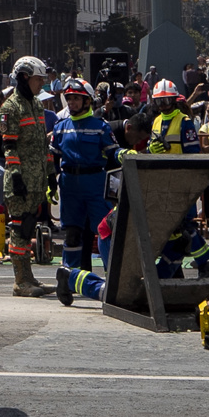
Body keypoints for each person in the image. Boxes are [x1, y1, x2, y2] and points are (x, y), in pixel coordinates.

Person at [49, 77, 120, 305]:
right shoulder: (60, 127)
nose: (72, 102)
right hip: (69, 184)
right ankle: (67, 278)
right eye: (69, 98)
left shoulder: (101, 126)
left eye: (77, 99)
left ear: (88, 101)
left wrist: (125, 156)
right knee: (72, 233)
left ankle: (112, 277)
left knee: (105, 231)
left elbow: (113, 154)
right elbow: (52, 157)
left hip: (95, 183)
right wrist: (50, 182)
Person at [0, 56, 54, 297]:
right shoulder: (10, 107)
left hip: (37, 180)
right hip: (20, 181)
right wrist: (16, 176)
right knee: (20, 230)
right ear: (24, 78)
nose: (42, 83)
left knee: (29, 227)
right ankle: (20, 281)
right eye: (38, 79)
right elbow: (9, 147)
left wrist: (51, 174)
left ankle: (29, 277)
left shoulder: (37, 105)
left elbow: (43, 143)